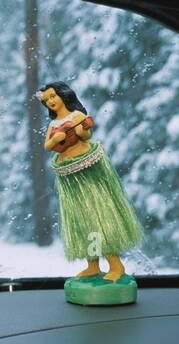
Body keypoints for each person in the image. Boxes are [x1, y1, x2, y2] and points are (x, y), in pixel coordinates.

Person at [38, 81, 142, 282]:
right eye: (47, 98)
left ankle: (115, 265)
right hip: (69, 174)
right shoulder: (52, 124)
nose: (51, 101)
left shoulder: (76, 117)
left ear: (63, 95)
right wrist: (56, 138)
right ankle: (92, 265)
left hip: (87, 169)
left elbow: (86, 133)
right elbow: (48, 146)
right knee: (82, 220)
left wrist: (80, 132)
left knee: (99, 216)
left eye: (53, 96)